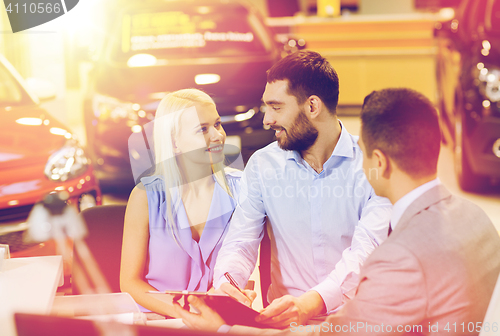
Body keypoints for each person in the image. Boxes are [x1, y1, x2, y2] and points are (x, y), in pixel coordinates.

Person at [176, 88, 500, 335]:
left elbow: (339, 330)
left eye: (362, 153)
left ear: (380, 162)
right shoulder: (476, 218)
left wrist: (224, 330)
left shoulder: (399, 257)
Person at [211, 50, 392, 327]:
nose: (266, 120)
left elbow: (366, 252)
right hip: (286, 324)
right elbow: (240, 242)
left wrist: (309, 304)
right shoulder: (262, 165)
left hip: (357, 322)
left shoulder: (372, 164)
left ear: (312, 106)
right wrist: (227, 283)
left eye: (276, 107)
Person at [120, 89, 244, 317]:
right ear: (174, 143)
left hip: (219, 324)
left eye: (217, 124)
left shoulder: (241, 190)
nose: (218, 136)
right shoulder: (145, 196)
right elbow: (129, 282)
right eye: (203, 129)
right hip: (158, 321)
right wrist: (186, 313)